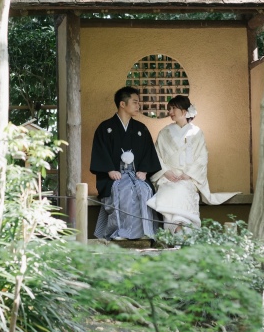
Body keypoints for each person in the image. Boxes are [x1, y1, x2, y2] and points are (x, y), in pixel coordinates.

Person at [147, 95, 239, 232]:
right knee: (172, 190)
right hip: (167, 178)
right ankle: (181, 232)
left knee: (181, 190)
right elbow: (156, 155)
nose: (170, 112)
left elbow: (202, 157)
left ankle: (178, 231)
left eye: (173, 108)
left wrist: (188, 174)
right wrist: (166, 172)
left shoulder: (197, 133)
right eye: (169, 109)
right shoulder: (164, 132)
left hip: (188, 178)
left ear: (184, 111)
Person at [90, 86, 162, 240]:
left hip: (136, 174)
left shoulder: (140, 129)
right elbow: (100, 151)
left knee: (144, 191)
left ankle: (145, 233)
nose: (138, 106)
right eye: (135, 102)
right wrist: (109, 170)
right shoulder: (105, 128)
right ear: (122, 104)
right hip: (114, 176)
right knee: (124, 191)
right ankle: (120, 232)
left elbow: (149, 152)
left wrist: (144, 170)